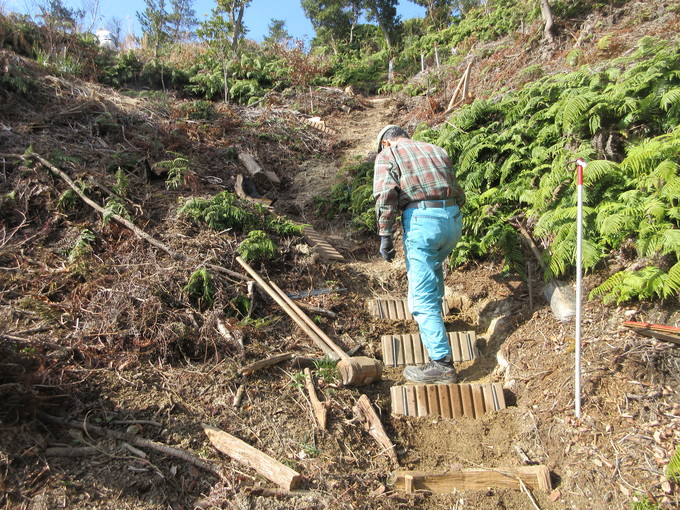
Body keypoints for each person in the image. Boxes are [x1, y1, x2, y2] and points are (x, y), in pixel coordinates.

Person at [373, 125, 466, 384]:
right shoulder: (436, 149)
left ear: (386, 143)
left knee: (420, 298)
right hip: (452, 220)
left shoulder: (388, 155)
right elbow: (456, 189)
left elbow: (385, 194)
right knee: (433, 272)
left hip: (423, 221)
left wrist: (385, 235)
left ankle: (442, 364)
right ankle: (436, 324)